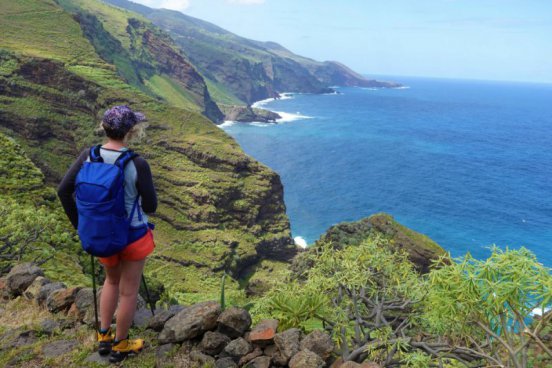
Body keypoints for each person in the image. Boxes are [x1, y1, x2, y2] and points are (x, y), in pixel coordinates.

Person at [57, 105, 157, 363]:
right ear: (132, 131)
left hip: (102, 234)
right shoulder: (137, 163)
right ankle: (121, 344)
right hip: (133, 235)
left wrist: (80, 224)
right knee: (129, 290)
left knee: (110, 282)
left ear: (104, 128)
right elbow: (150, 206)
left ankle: (104, 337)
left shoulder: (87, 156)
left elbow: (63, 191)